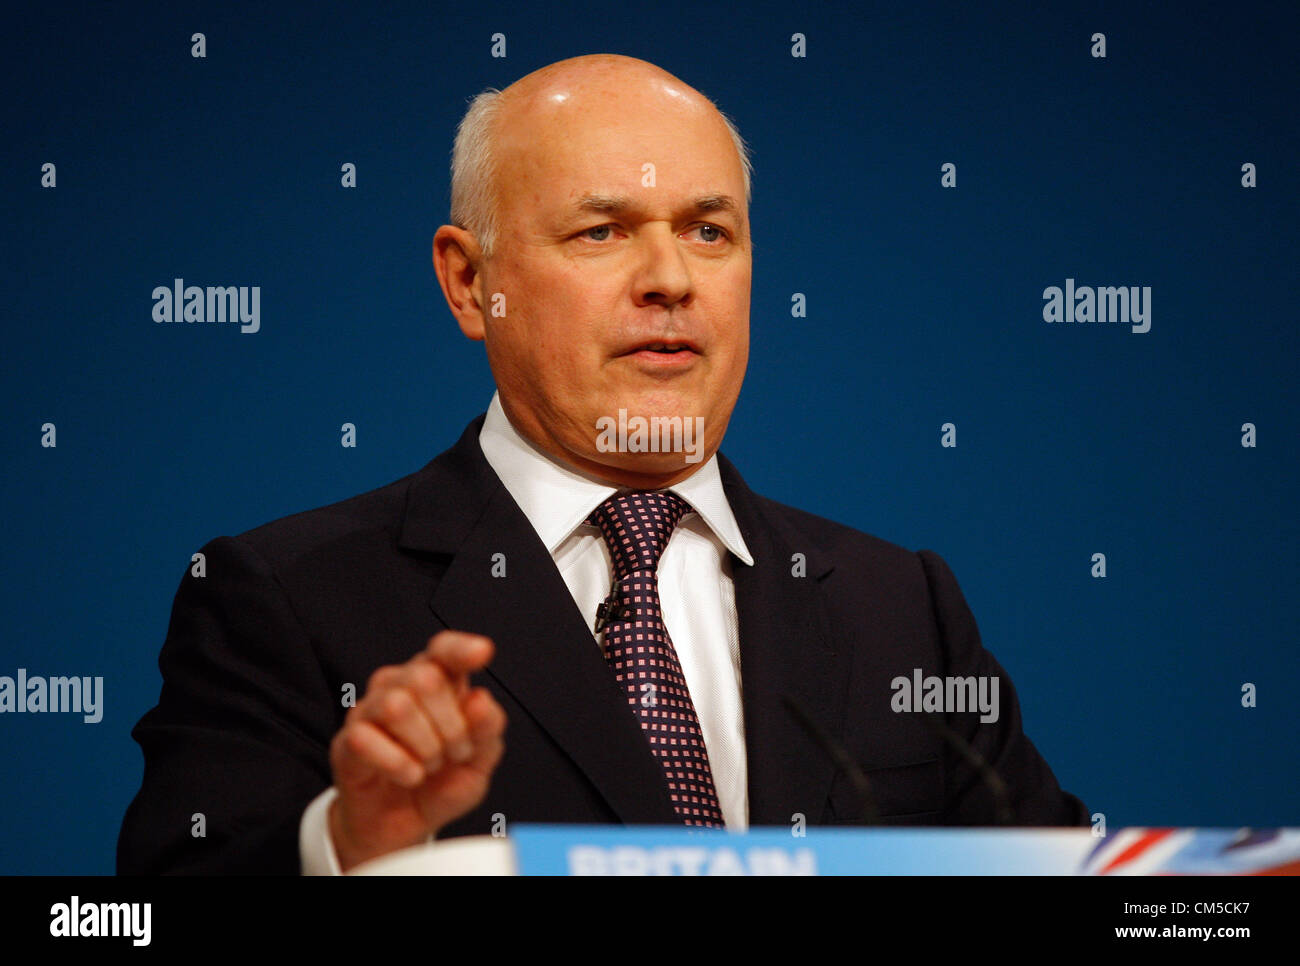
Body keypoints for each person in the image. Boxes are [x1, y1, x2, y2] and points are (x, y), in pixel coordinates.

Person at [117, 53, 1088, 876]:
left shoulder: (897, 605)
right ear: (469, 281)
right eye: (602, 231)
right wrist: (355, 844)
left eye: (708, 231)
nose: (669, 279)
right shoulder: (286, 600)